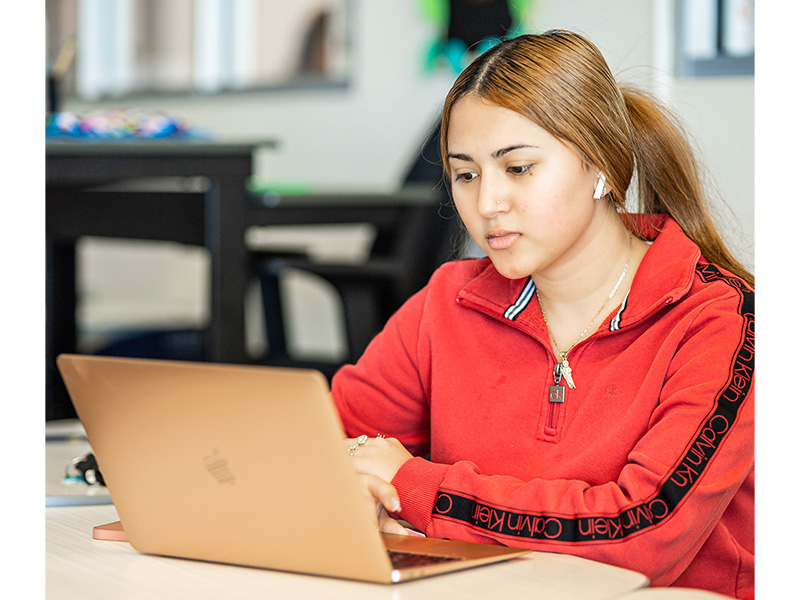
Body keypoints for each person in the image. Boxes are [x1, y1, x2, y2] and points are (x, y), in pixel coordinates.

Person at [334, 30, 754, 599]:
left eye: (520, 168)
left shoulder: (722, 322)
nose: (486, 204)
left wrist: (414, 488)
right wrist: (357, 486)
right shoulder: (446, 302)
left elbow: (643, 534)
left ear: (602, 169)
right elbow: (326, 444)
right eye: (466, 173)